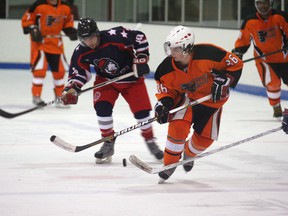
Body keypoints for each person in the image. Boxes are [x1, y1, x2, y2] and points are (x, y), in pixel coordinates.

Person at [61, 17, 164, 163]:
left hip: (131, 80)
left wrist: (141, 59)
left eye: (90, 38)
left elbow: (139, 37)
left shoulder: (115, 36)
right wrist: (72, 89)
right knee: (102, 109)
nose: (88, 42)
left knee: (142, 113)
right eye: (84, 39)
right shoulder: (81, 50)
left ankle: (150, 140)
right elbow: (79, 72)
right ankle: (108, 142)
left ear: (97, 33)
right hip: (106, 82)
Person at [154, 25, 243, 183]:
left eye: (176, 49)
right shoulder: (165, 69)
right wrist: (164, 104)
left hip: (211, 100)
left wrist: (226, 79)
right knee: (178, 127)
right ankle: (169, 164)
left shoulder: (210, 54)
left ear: (187, 47)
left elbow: (236, 64)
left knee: (204, 140)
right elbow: (166, 89)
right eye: (170, 48)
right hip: (186, 98)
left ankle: (188, 154)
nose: (172, 53)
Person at [232, 0, 288, 118]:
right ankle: (275, 106)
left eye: (265, 3)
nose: (262, 6)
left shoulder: (280, 16)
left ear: (270, 3)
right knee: (271, 83)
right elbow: (243, 40)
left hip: (285, 57)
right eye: (259, 3)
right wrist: (238, 52)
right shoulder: (250, 21)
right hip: (264, 60)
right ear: (255, 4)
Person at [21, 0, 78, 107]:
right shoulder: (38, 5)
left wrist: (70, 31)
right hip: (40, 43)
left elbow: (67, 23)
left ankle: (60, 96)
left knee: (59, 72)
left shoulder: (65, 7)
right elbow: (27, 20)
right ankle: (36, 96)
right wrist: (32, 28)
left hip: (56, 44)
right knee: (39, 71)